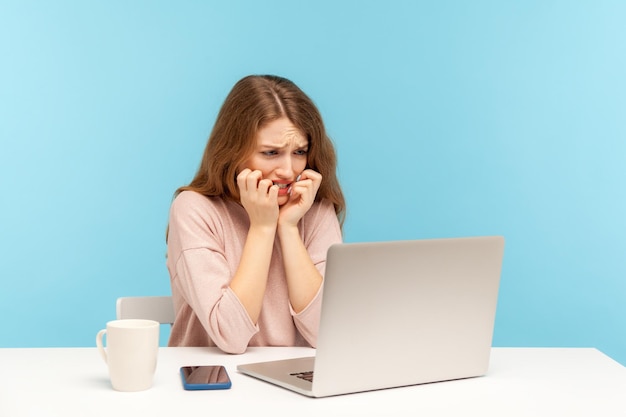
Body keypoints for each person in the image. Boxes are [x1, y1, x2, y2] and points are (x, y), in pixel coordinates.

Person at [165, 75, 346, 354]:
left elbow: (328, 334)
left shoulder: (314, 210)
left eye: (299, 152)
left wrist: (287, 227)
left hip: (293, 383)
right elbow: (231, 336)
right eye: (271, 153)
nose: (288, 170)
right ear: (234, 152)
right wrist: (262, 228)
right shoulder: (195, 209)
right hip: (214, 381)